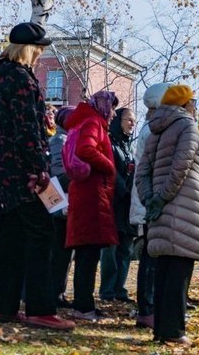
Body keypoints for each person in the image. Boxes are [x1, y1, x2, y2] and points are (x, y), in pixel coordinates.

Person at [0, 22, 74, 330]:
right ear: (30, 50)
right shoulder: (21, 80)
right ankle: (40, 308)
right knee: (41, 236)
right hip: (24, 171)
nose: (40, 57)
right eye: (39, 51)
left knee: (10, 238)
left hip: (3, 170)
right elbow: (27, 130)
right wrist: (39, 169)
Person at [136, 84, 199, 346]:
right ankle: (174, 332)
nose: (196, 106)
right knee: (179, 272)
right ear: (184, 104)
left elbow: (141, 170)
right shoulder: (187, 126)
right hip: (183, 207)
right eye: (194, 101)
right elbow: (183, 164)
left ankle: (160, 330)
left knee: (163, 270)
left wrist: (150, 199)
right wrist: (164, 196)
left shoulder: (155, 130)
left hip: (159, 210)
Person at [65, 90, 119, 321]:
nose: (114, 114)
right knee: (88, 254)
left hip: (87, 193)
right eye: (113, 108)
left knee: (88, 253)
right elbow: (85, 149)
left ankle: (84, 304)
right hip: (92, 195)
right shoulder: (94, 121)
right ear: (104, 106)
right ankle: (83, 306)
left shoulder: (86, 120)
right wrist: (109, 166)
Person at [130, 82, 170, 330]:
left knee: (153, 255)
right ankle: (147, 308)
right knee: (150, 257)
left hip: (149, 200)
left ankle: (151, 306)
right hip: (149, 201)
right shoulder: (151, 130)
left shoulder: (152, 127)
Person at [99, 107, 137, 303]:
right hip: (114, 202)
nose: (132, 124)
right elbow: (111, 170)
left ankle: (119, 289)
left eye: (134, 121)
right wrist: (125, 190)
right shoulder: (109, 143)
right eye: (128, 120)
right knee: (111, 249)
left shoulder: (130, 147)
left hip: (128, 206)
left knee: (126, 248)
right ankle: (107, 290)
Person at [48, 105, 75, 308]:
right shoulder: (60, 140)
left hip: (64, 202)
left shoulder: (67, 139)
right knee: (59, 251)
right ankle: (54, 291)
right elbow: (59, 172)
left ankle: (58, 291)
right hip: (59, 202)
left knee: (64, 252)